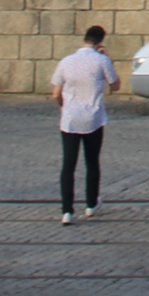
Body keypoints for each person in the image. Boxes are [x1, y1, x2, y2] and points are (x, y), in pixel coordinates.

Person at [51, 25, 118, 224]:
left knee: (68, 165)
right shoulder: (102, 60)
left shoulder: (66, 61)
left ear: (83, 40)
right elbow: (115, 85)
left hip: (70, 119)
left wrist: (64, 106)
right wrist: (108, 57)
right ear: (99, 43)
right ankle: (90, 204)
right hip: (93, 118)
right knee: (92, 162)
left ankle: (67, 211)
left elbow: (55, 93)